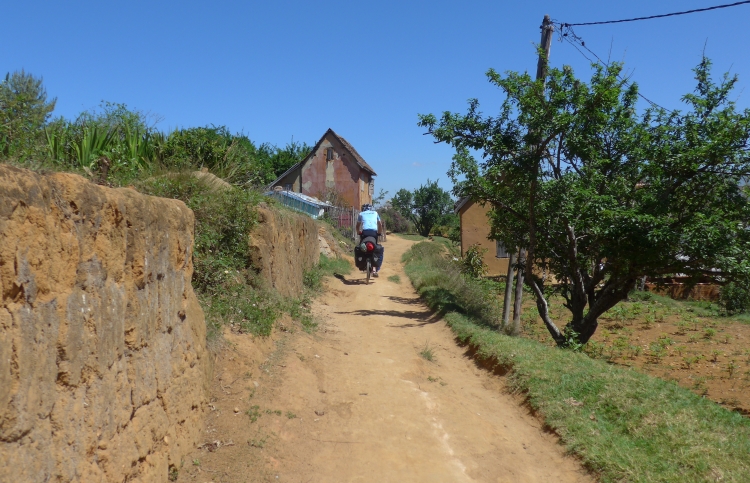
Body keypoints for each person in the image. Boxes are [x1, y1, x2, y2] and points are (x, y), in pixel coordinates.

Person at [356, 203, 384, 277]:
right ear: (370, 208)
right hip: (374, 233)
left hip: (365, 233)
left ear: (363, 209)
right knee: (375, 248)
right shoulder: (375, 213)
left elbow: (358, 225)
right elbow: (380, 224)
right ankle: (374, 270)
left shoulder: (361, 214)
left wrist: (358, 232)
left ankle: (363, 262)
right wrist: (379, 232)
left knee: (361, 245)